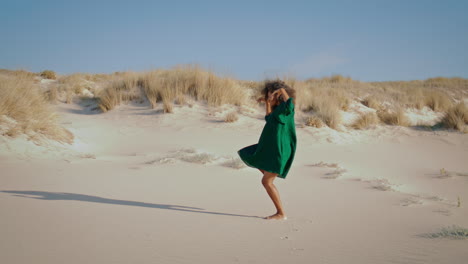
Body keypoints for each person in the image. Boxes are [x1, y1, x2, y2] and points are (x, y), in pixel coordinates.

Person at [238, 80, 297, 220]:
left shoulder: (286, 109)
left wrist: (281, 90)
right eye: (268, 92)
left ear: (278, 94)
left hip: (278, 150)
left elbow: (290, 104)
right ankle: (280, 212)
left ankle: (281, 213)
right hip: (268, 148)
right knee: (250, 155)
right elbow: (268, 118)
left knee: (266, 182)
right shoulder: (277, 110)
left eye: (271, 92)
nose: (269, 94)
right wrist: (267, 102)